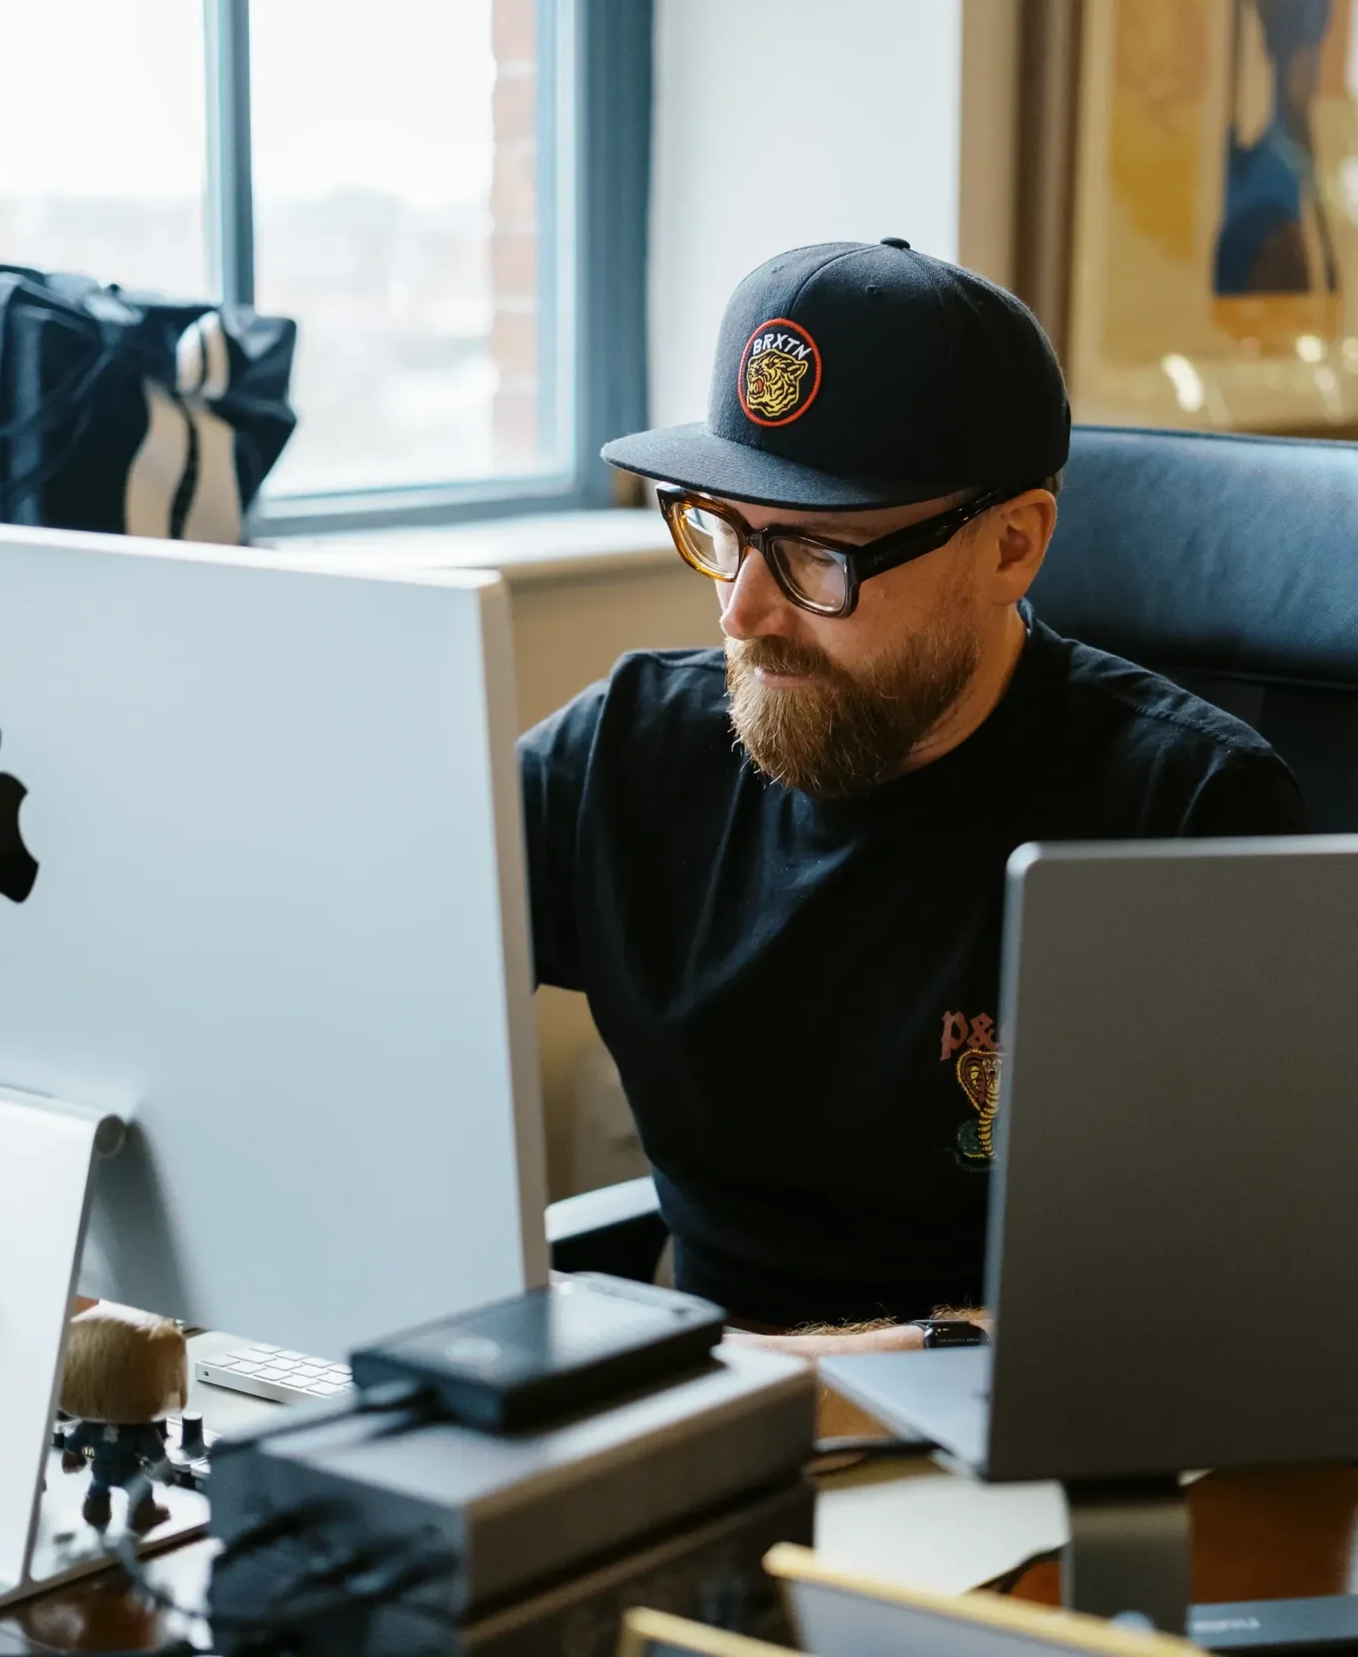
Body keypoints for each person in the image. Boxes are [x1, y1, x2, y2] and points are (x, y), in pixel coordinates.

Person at [519, 239, 1306, 1355]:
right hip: (692, 1439)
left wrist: (758, 1380)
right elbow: (368, 978)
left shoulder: (1182, 816)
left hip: (1002, 1466)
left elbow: (1203, 1301)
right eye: (723, 530)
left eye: (817, 554)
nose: (745, 610)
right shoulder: (626, 751)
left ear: (1012, 545)